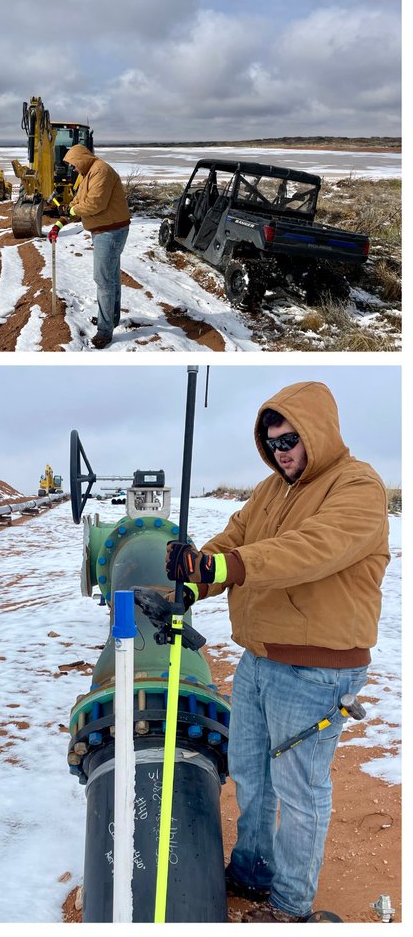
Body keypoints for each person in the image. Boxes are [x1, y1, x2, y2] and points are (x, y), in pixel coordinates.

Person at [164, 381, 389, 923]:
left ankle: (290, 907)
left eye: (290, 438)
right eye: (273, 442)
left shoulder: (357, 485)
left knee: (299, 789)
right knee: (250, 773)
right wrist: (196, 576)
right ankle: (252, 871)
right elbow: (232, 539)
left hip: (315, 671)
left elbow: (310, 550)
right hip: (260, 658)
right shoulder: (271, 489)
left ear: (318, 431)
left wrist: (225, 567)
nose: (282, 450)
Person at [47, 145, 130, 350]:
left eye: (74, 164)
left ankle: (104, 331)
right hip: (104, 231)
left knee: (103, 280)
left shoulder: (101, 170)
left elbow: (95, 204)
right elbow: (78, 202)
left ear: (82, 158)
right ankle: (111, 319)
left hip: (110, 232)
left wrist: (73, 208)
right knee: (111, 278)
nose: (73, 169)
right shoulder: (87, 174)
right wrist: (60, 223)